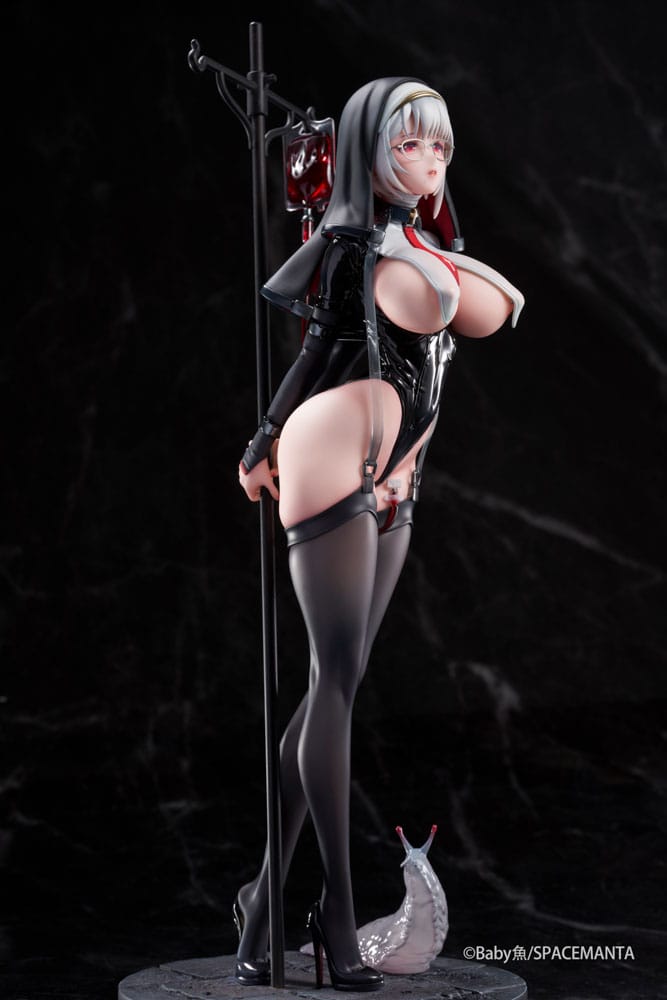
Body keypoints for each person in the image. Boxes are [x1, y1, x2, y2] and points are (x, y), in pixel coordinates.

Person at [235, 77, 524, 991]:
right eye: (408, 144)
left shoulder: (424, 243)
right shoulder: (352, 245)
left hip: (399, 470)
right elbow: (322, 349)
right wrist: (262, 439)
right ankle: (332, 908)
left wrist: (442, 249)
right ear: (368, 151)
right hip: (334, 446)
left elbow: (488, 311)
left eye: (439, 145)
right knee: (334, 682)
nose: (429, 160)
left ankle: (260, 902)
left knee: (336, 683)